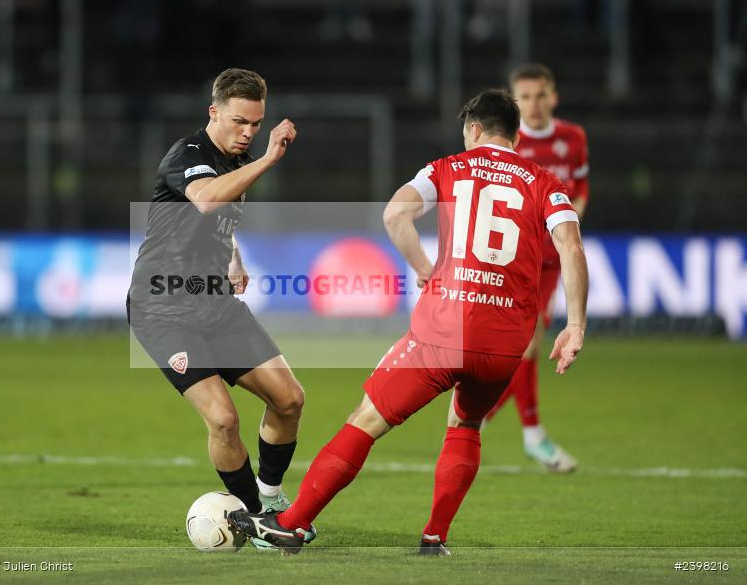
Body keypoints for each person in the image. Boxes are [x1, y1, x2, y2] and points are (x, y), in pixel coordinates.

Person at [228, 89, 589, 555]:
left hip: (446, 329)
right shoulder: (545, 182)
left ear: (474, 130)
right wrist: (575, 325)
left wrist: (424, 268)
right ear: (516, 136)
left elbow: (396, 214)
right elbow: (571, 248)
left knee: (366, 420)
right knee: (465, 425)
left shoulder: (447, 168)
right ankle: (435, 537)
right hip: (506, 343)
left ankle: (290, 526)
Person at [127, 68, 315, 548]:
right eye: (239, 122)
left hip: (215, 302)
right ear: (214, 113)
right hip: (163, 308)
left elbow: (219, 221)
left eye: (256, 124)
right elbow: (206, 201)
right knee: (224, 419)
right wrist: (270, 158)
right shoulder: (186, 155)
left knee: (290, 398)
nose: (248, 133)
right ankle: (255, 518)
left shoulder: (238, 158)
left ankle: (270, 501)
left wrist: (234, 256)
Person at [485, 64, 590, 473]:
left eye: (540, 94)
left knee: (526, 344)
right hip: (515, 259)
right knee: (519, 346)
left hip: (551, 263)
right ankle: (507, 422)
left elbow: (579, 187)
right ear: (514, 101)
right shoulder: (510, 141)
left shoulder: (573, 138)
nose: (533, 103)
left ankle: (516, 427)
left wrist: (568, 222)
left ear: (553, 96)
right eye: (524, 96)